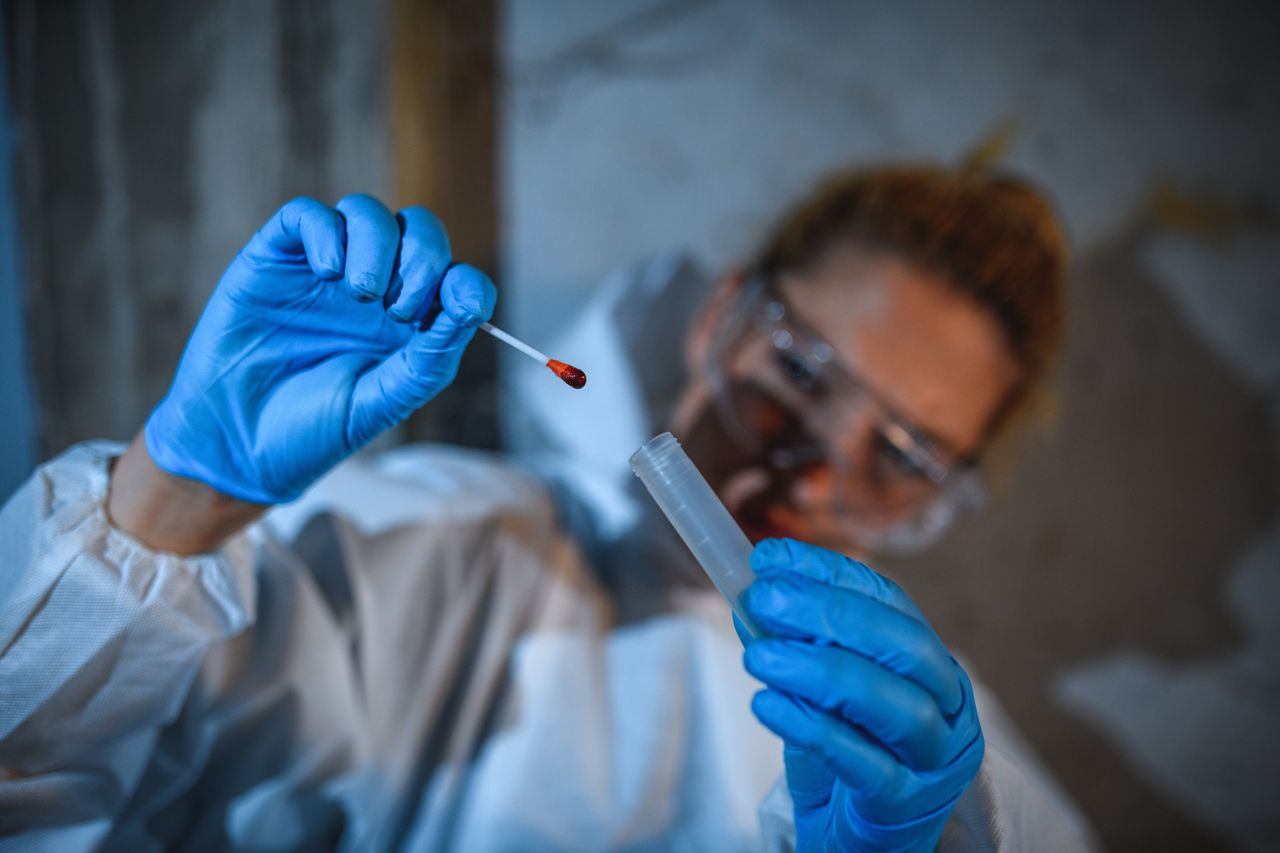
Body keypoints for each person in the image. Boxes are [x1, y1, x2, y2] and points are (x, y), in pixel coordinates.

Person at [0, 169, 1099, 851]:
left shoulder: (940, 770)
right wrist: (175, 498)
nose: (809, 470)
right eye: (804, 372)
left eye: (903, 454)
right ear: (723, 313)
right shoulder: (425, 547)